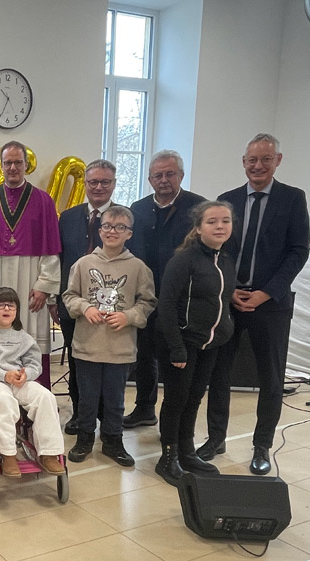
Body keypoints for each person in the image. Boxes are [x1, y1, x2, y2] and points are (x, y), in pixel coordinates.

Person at [199, 133, 310, 475]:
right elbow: (218, 249)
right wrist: (229, 289)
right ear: (243, 162)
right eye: (252, 160)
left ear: (278, 160)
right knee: (218, 372)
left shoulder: (292, 199)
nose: (258, 166)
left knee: (271, 378)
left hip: (271, 303)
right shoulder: (226, 200)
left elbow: (298, 251)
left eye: (265, 159)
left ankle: (261, 445)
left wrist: (266, 292)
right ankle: (216, 438)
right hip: (230, 300)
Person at [62, 206, 156, 466]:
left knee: (115, 399)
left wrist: (129, 316)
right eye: (107, 226)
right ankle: (85, 438)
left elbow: (147, 302)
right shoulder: (83, 264)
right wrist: (85, 307)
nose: (113, 231)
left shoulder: (138, 268)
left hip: (120, 348)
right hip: (87, 345)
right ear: (99, 230)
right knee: (87, 396)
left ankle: (113, 440)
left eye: (120, 227)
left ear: (129, 233)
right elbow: (69, 296)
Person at [124, 150, 205, 429]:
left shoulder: (198, 208)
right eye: (158, 175)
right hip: (146, 295)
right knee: (144, 355)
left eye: (170, 174)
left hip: (182, 297)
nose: (164, 180)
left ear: (181, 175)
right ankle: (144, 408)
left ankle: (173, 419)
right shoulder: (138, 208)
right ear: (149, 179)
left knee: (175, 358)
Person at [155, 202, 234, 484]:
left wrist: (225, 329)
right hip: (182, 343)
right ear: (199, 227)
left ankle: (187, 450)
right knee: (176, 400)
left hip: (210, 344)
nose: (220, 226)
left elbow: (222, 300)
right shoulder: (185, 259)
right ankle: (168, 456)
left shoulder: (225, 259)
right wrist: (176, 346)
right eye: (212, 221)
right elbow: (166, 305)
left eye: (225, 221)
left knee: (194, 398)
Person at [0, 141, 61, 386]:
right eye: (8, 163)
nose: (13, 167)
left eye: (18, 162)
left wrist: (44, 286)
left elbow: (51, 247)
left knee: (29, 332)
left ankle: (34, 393)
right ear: (1, 166)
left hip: (31, 278)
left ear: (27, 165)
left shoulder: (44, 200)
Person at [0, 288, 65, 477]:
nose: (6, 309)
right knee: (4, 400)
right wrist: (4, 375)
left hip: (19, 381)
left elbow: (35, 364)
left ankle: (49, 453)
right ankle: (8, 455)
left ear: (16, 311)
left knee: (46, 397)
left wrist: (26, 374)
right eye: (1, 305)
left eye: (11, 306)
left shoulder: (24, 337)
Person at [57, 158, 118, 435]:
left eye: (105, 182)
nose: (98, 187)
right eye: (93, 181)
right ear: (85, 184)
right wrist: (54, 300)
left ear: (113, 185)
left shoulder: (124, 219)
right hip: (73, 303)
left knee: (109, 362)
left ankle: (107, 417)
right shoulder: (68, 217)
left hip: (113, 305)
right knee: (76, 358)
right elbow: (58, 260)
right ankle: (81, 415)